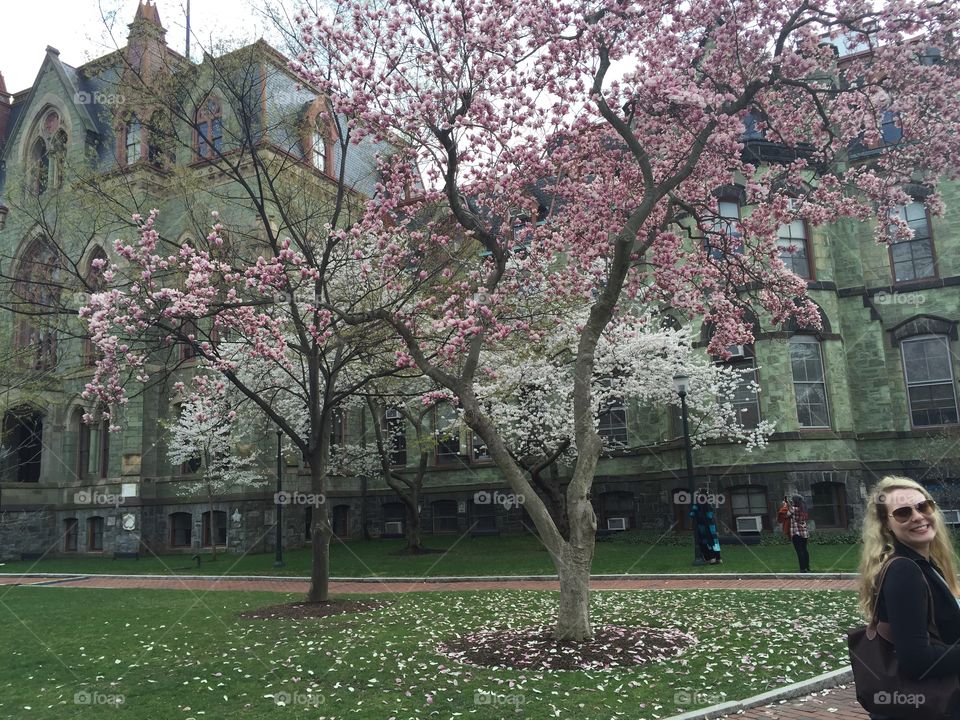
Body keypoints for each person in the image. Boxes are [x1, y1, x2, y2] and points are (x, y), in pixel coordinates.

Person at [857, 476, 960, 720]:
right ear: (886, 525)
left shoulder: (923, 564)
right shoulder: (904, 571)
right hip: (931, 707)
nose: (917, 516)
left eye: (923, 506)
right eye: (903, 512)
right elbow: (917, 661)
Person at [778, 494, 811, 572]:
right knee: (805, 550)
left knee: (799, 551)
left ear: (795, 501)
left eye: (793, 500)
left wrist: (785, 504)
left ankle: (802, 569)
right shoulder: (804, 509)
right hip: (804, 532)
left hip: (796, 533)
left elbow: (786, 515)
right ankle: (807, 567)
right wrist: (788, 503)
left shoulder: (794, 509)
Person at [690, 492, 722, 564]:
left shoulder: (697, 505)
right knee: (714, 542)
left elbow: (692, 514)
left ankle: (711, 558)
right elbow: (710, 516)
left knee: (706, 542)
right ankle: (718, 558)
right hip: (711, 526)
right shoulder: (708, 505)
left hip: (703, 526)